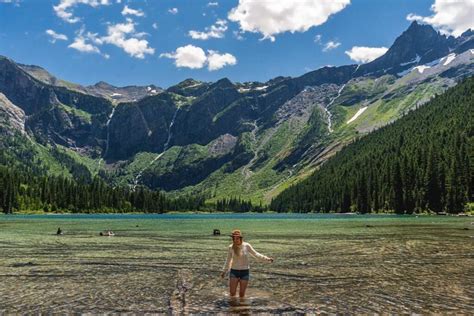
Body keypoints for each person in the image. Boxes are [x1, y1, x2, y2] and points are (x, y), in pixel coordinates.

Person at [220, 229, 273, 298]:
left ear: (240, 237)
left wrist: (266, 259)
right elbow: (228, 260)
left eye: (237, 238)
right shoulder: (231, 247)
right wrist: (224, 271)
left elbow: (256, 254)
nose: (235, 240)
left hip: (244, 272)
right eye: (234, 238)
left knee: (242, 295)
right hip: (234, 272)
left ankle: (241, 308)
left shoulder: (246, 245)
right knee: (232, 293)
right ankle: (233, 308)